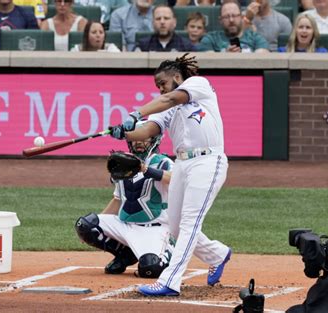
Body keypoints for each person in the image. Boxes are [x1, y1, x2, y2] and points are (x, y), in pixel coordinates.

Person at [109, 53, 232, 296]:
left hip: (208, 160)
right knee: (175, 225)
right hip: (183, 164)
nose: (160, 89)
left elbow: (170, 98)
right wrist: (124, 134)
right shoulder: (167, 107)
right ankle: (218, 254)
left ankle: (170, 281)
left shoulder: (197, 85)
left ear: (177, 77)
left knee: (189, 222)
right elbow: (148, 130)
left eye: (162, 84)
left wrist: (136, 113)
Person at [75, 123, 175, 278]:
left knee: (150, 269)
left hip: (154, 228)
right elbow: (117, 200)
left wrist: (147, 170)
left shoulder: (163, 162)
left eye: (144, 138)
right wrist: (93, 230)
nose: (139, 142)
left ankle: (168, 247)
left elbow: (177, 180)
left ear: (154, 139)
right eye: (135, 138)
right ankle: (126, 255)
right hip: (125, 226)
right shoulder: (124, 163)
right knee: (86, 225)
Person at [197, 1, 270, 52]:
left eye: (234, 16)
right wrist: (226, 55)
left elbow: (262, 60)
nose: (231, 20)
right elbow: (209, 63)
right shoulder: (210, 39)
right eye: (226, 16)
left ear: (241, 17)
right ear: (220, 20)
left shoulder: (256, 38)